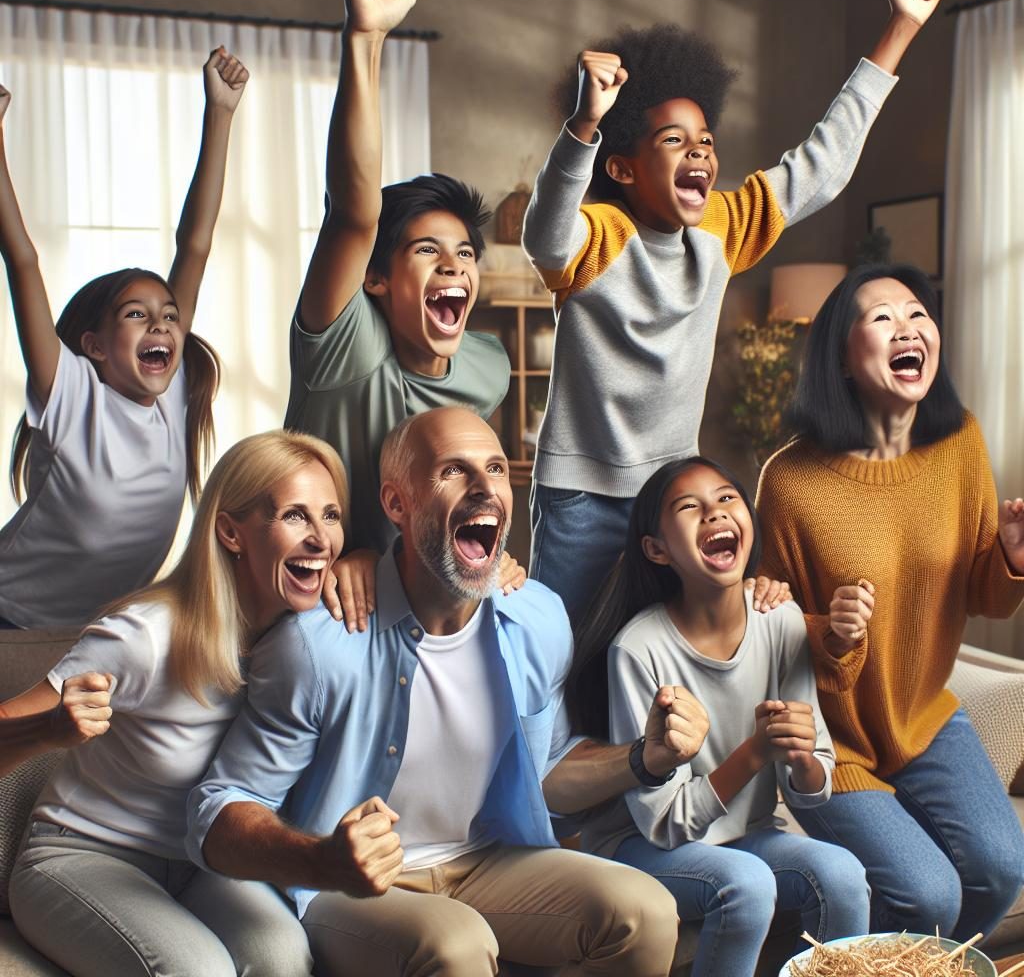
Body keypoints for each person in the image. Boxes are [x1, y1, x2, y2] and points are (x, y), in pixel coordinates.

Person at [186, 406, 693, 977]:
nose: (483, 488)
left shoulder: (539, 618)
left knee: (647, 912)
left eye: (495, 469)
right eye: (453, 471)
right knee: (456, 944)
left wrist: (643, 758)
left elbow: (548, 770)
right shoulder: (316, 645)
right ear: (397, 504)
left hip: (486, 861)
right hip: (346, 889)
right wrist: (323, 861)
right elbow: (217, 808)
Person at [523, 0, 946, 624]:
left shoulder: (721, 226)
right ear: (621, 168)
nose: (699, 154)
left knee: (665, 653)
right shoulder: (598, 234)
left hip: (672, 498)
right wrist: (583, 124)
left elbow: (821, 165)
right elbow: (546, 238)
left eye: (706, 141)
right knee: (561, 655)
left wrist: (899, 29)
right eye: (673, 141)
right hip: (581, 495)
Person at [0, 429, 348, 976]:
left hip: (200, 862)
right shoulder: (146, 636)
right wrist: (50, 727)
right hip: (81, 855)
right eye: (295, 516)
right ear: (231, 532)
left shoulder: (304, 639)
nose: (321, 539)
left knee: (285, 959)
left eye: (330, 516)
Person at [755, 262, 1024, 940]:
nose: (909, 327)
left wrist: (1014, 559)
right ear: (842, 359)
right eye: (882, 317)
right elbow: (762, 624)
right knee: (928, 895)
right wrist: (830, 631)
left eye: (918, 313)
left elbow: (984, 596)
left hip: (925, 721)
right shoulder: (790, 481)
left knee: (1001, 868)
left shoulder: (959, 441)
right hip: (830, 741)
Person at [283, 0, 520, 629]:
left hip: (406, 592)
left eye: (465, 254)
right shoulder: (345, 348)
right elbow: (353, 215)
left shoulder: (487, 368)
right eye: (428, 252)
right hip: (310, 582)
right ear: (376, 278)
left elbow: (464, 494)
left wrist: (493, 558)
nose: (455, 267)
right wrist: (366, 39)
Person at [567, 456, 870, 976]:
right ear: (657, 550)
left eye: (727, 497)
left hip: (743, 834)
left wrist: (801, 760)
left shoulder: (782, 621)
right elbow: (664, 824)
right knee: (747, 885)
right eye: (690, 507)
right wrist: (755, 752)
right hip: (640, 844)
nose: (714, 513)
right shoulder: (638, 650)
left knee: (843, 873)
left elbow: (812, 785)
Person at [0, 47, 248, 629]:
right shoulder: (70, 394)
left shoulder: (172, 392)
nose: (162, 324)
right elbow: (22, 259)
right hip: (8, 622)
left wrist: (220, 112)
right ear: (93, 345)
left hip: (96, 630)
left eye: (168, 314)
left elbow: (196, 244)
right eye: (137, 315)